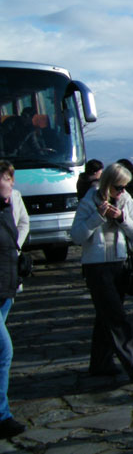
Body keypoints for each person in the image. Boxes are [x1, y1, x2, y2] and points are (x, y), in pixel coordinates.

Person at [70, 162, 133, 381]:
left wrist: (122, 218)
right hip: (96, 266)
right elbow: (76, 236)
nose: (122, 191)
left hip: (119, 263)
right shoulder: (89, 201)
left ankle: (100, 363)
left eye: (124, 187)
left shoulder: (126, 200)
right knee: (115, 316)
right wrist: (98, 217)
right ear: (107, 184)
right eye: (118, 187)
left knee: (106, 315)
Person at [0, 161, 29, 438]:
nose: (7, 196)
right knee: (4, 351)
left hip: (7, 289)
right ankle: (2, 415)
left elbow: (21, 225)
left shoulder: (10, 203)